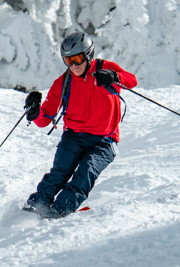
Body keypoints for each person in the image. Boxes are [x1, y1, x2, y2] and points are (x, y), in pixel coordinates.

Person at [22, 31, 137, 218]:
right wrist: (34, 113)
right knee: (59, 173)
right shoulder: (63, 82)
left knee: (85, 174)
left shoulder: (104, 69)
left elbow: (131, 80)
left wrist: (114, 77)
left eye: (76, 59)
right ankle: (33, 210)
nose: (73, 66)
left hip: (104, 141)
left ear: (88, 55)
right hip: (73, 137)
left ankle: (58, 212)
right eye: (68, 61)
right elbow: (44, 119)